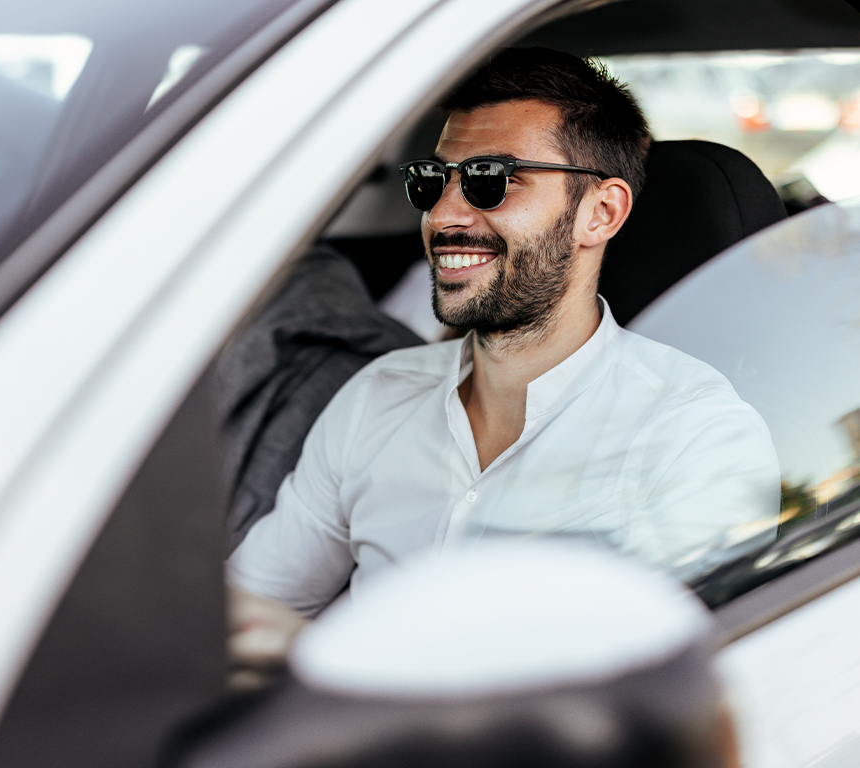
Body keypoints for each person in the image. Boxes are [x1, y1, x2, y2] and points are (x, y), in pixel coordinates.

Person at [226, 48, 780, 619]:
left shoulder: (694, 438)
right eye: (432, 181)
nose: (443, 216)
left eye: (491, 181)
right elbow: (254, 605)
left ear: (602, 213)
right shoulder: (377, 396)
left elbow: (655, 691)